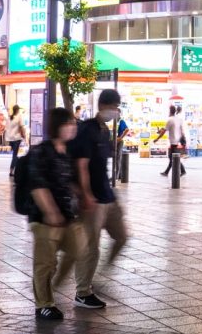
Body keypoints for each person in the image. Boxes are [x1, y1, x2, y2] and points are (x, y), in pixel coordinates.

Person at [19, 108, 90, 320]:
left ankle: (54, 285)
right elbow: (38, 184)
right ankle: (44, 305)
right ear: (57, 126)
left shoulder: (64, 151)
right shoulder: (42, 151)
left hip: (66, 216)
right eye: (69, 123)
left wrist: (81, 194)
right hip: (43, 219)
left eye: (74, 123)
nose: (73, 127)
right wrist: (50, 211)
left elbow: (65, 180)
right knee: (44, 263)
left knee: (79, 250)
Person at [59, 88, 126, 307]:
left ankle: (99, 278)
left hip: (107, 195)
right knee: (91, 247)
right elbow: (82, 165)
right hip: (93, 199)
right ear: (105, 106)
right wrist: (85, 194)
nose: (116, 111)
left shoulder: (103, 129)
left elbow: (101, 166)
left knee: (122, 236)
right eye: (115, 107)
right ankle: (83, 292)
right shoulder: (87, 130)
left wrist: (113, 197)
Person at [159, 105, 188, 176]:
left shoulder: (170, 120)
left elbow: (164, 131)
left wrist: (157, 139)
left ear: (170, 111)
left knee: (173, 158)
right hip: (177, 140)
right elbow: (181, 130)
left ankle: (180, 171)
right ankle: (168, 172)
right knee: (173, 157)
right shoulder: (178, 119)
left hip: (173, 142)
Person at [5, 105, 28, 176]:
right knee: (15, 155)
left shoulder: (9, 117)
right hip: (17, 138)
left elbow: (7, 128)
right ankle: (12, 171)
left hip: (10, 139)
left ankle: (15, 170)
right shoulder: (19, 116)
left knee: (15, 155)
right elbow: (21, 127)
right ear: (17, 110)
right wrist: (24, 136)